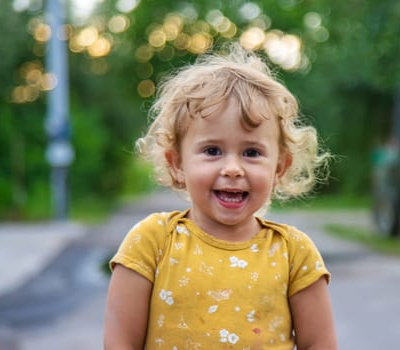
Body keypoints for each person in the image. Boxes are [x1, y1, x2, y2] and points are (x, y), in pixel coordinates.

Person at [104, 43, 337, 350]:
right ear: (177, 163)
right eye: (212, 151)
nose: (232, 169)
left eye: (251, 152)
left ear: (279, 167)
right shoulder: (152, 243)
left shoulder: (294, 255)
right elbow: (120, 343)